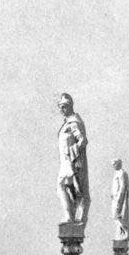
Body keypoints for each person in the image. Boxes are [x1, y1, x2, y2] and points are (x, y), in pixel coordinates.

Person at [57, 94, 90, 224]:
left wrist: (72, 153)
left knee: (62, 186)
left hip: (72, 163)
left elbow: (83, 140)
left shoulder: (73, 123)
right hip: (65, 163)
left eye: (64, 107)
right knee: (69, 189)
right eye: (60, 107)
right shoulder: (66, 123)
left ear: (70, 106)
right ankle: (71, 217)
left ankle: (71, 217)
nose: (62, 110)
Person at [111, 158, 129, 241]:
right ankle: (120, 233)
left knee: (116, 216)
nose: (113, 166)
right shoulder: (117, 173)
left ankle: (125, 232)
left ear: (118, 164)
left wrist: (119, 198)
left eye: (114, 164)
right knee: (116, 216)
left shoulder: (121, 173)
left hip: (118, 198)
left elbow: (122, 187)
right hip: (115, 198)